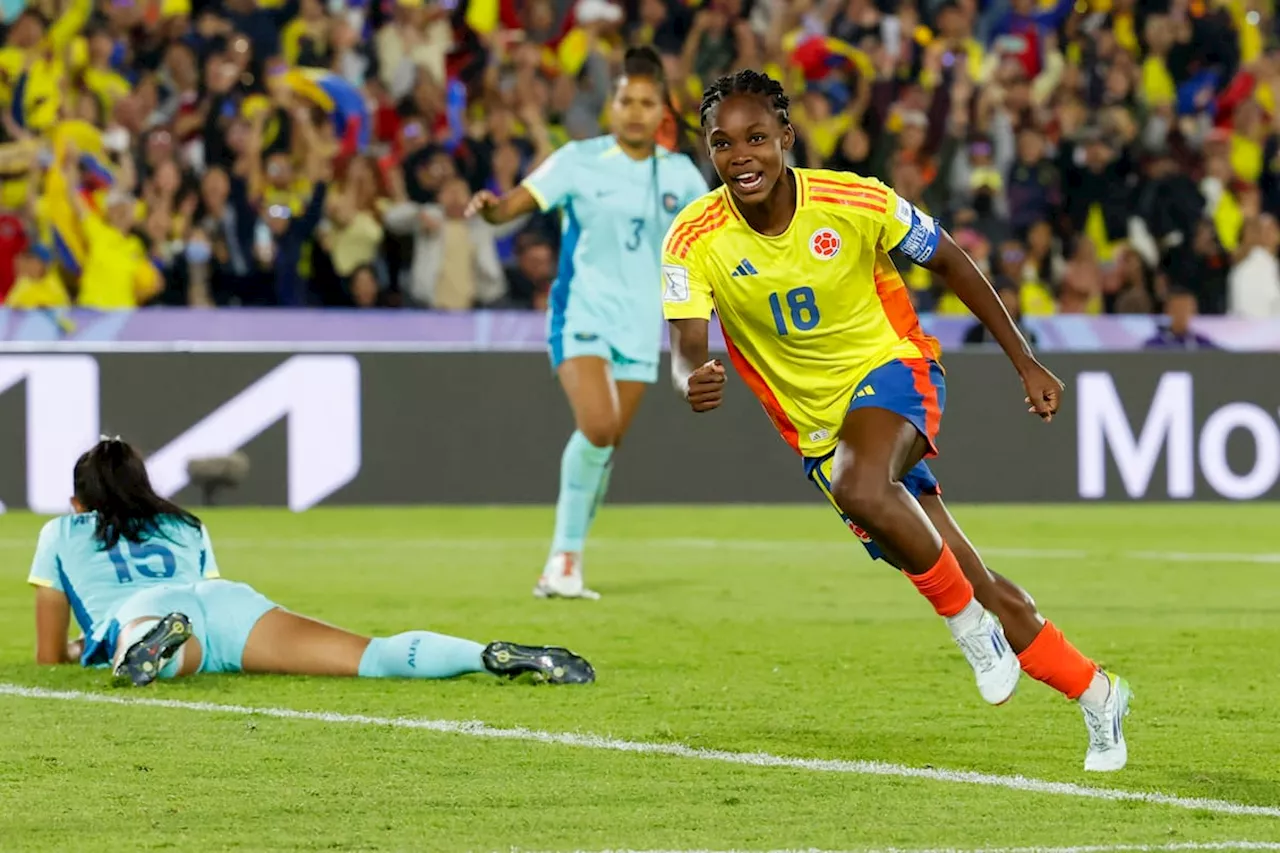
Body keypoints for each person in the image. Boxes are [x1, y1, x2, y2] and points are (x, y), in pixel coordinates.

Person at [661, 70, 1129, 772]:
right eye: (723, 143)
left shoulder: (856, 199)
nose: (742, 155)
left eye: (758, 137)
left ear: (787, 137)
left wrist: (1025, 361)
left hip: (895, 371)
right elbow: (687, 344)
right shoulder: (693, 237)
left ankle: (968, 628)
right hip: (819, 433)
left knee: (865, 486)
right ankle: (1096, 692)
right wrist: (689, 376)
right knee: (967, 569)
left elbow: (953, 262)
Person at [28, 438, 594, 687]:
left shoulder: (61, 531)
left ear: (79, 503)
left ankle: (146, 647)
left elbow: (48, 656)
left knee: (154, 649)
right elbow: (200, 590)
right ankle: (481, 655)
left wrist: (81, 646)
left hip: (151, 611)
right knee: (370, 655)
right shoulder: (184, 524)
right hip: (225, 604)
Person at [466, 46, 708, 600]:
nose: (635, 111)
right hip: (581, 311)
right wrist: (491, 208)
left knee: (606, 445)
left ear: (662, 112)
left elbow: (713, 237)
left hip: (641, 323)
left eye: (647, 103)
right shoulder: (578, 159)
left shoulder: (679, 175)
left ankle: (567, 558)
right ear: (611, 106)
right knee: (598, 426)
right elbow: (514, 205)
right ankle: (563, 561)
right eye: (626, 100)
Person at [1143, 288, 1218, 350]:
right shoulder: (1154, 345)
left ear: (1194, 310)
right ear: (1167, 310)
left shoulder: (1203, 344)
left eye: (1186, 308)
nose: (1182, 313)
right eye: (1177, 308)